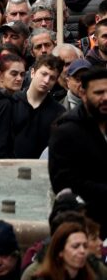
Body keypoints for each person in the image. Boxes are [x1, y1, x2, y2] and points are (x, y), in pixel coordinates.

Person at [49, 67, 107, 238]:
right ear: (83, 93)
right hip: (87, 225)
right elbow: (64, 182)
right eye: (99, 93)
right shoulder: (66, 131)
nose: (105, 98)